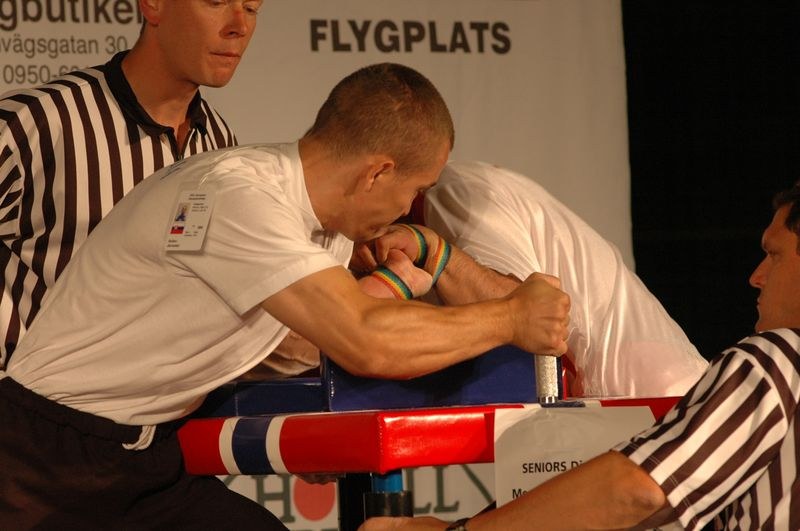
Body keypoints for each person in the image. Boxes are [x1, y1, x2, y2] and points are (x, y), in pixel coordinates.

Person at [0, 63, 571, 529]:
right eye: (414, 191)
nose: (407, 208)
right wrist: (509, 319)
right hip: (41, 458)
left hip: (139, 456)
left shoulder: (316, 224)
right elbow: (368, 340)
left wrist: (420, 267)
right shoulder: (237, 198)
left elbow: (298, 345)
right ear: (377, 172)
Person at [359, 180, 800, 530]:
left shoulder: (779, 358)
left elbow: (531, 317)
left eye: (774, 256)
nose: (756, 276)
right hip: (643, 434)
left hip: (645, 420)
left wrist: (431, 257)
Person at [0, 0, 263, 369]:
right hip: (28, 410)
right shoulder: (35, 121)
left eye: (252, 8)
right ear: (153, 6)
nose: (240, 25)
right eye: (216, 2)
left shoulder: (220, 144)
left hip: (156, 412)